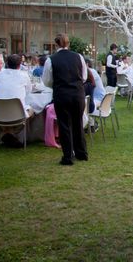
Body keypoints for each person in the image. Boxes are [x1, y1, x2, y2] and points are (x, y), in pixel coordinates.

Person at [42, 33, 89, 165]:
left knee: (64, 125)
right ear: (68, 44)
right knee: (77, 123)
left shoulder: (51, 59)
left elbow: (46, 81)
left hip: (61, 94)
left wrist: (59, 84)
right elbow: (84, 77)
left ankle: (68, 156)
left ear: (56, 44)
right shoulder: (78, 57)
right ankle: (81, 153)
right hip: (77, 93)